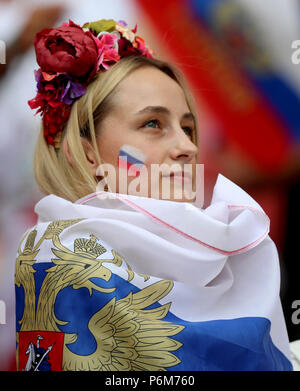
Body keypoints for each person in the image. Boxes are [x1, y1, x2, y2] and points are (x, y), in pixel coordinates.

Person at [15, 17, 294, 371]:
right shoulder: (61, 250)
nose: (186, 147)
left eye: (189, 128)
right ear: (87, 153)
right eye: (152, 124)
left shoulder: (241, 251)